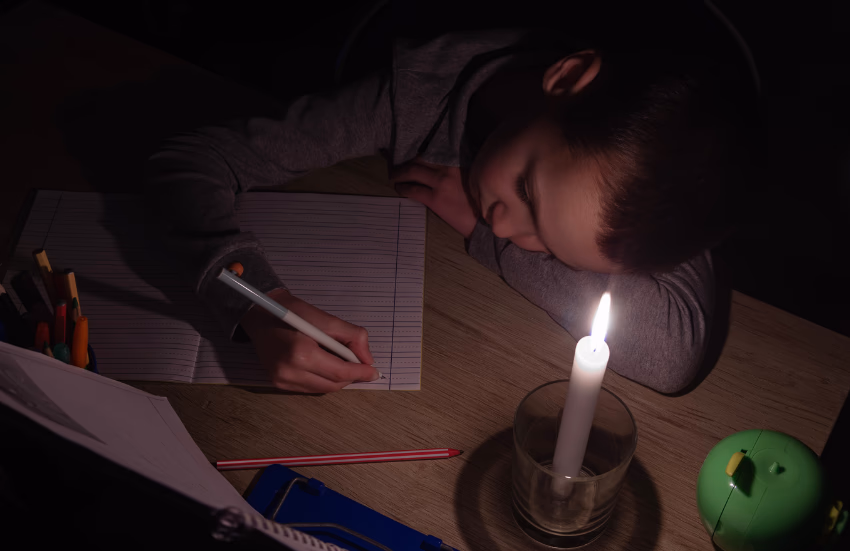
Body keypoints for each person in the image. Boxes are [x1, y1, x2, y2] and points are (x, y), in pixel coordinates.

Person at [145, 29, 755, 394]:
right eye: (527, 192)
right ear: (568, 78)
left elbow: (672, 353)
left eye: (547, 245)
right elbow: (187, 164)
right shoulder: (418, 96)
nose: (506, 227)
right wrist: (257, 303)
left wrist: (482, 236)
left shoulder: (661, 192)